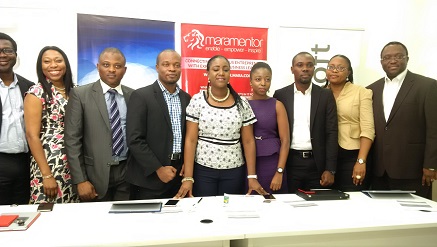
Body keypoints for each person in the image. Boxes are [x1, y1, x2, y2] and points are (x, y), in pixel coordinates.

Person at [175, 55, 265, 198]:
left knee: (229, 213)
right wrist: (188, 178)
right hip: (203, 170)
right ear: (208, 73)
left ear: (230, 74)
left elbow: (248, 141)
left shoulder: (242, 103)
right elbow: (191, 140)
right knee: (205, 213)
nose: (221, 73)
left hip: (234, 171)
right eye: (216, 69)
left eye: (226, 69)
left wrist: (252, 176)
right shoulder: (197, 100)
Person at [367, 41, 437, 199]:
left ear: (407, 59)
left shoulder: (427, 86)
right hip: (379, 170)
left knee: (415, 218)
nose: (393, 60)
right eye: (387, 57)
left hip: (412, 169)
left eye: (398, 56)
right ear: (381, 62)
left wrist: (431, 165)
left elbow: (434, 130)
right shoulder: (371, 89)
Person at [65, 47, 133, 202]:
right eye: (106, 64)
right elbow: (72, 140)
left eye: (117, 66)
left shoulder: (133, 95)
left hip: (127, 173)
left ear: (125, 69)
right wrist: (80, 180)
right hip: (94, 175)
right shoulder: (80, 94)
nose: (112, 70)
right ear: (98, 66)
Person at [125, 49, 191, 199]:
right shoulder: (141, 96)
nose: (172, 69)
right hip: (149, 179)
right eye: (166, 64)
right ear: (157, 67)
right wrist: (158, 168)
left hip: (179, 176)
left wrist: (187, 164)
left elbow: (189, 137)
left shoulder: (187, 98)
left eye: (176, 65)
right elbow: (134, 139)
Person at [273, 52, 338, 193]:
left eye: (309, 65)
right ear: (292, 69)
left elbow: (332, 133)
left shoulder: (325, 95)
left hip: (317, 164)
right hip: (290, 162)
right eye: (300, 65)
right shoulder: (281, 95)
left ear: (314, 69)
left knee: (317, 208)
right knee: (289, 204)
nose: (305, 69)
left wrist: (330, 169)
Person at [24, 46, 78, 203]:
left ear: (65, 64)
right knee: (48, 211)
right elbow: (31, 135)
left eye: (58, 61)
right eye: (47, 61)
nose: (53, 65)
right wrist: (46, 175)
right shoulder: (36, 92)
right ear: (40, 67)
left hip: (74, 163)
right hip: (50, 163)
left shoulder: (76, 91)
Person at [324, 55, 375, 191]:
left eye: (340, 68)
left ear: (349, 72)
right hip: (326, 156)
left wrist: (361, 161)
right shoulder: (320, 93)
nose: (335, 71)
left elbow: (368, 128)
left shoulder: (361, 92)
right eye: (331, 67)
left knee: (352, 198)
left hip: (352, 155)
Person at [0, 32, 34, 205]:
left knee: (23, 214)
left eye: (8, 50)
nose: (3, 55)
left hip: (25, 162)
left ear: (15, 55)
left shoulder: (29, 86)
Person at [247, 62, 290, 194]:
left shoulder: (277, 105)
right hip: (249, 165)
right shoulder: (243, 104)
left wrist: (279, 171)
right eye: (258, 79)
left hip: (272, 163)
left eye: (267, 79)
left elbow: (285, 141)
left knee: (275, 204)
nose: (263, 83)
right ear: (250, 81)